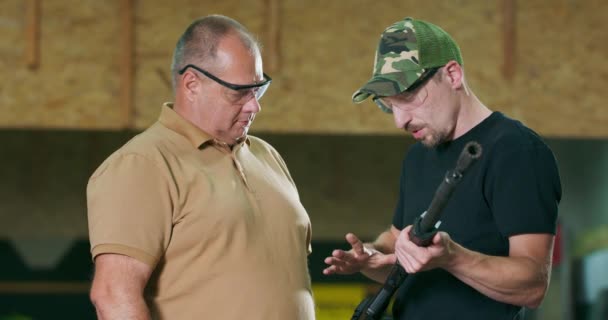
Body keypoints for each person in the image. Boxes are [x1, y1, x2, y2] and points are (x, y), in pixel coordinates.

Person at [323, 17, 562, 320]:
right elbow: (398, 244)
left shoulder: (516, 151)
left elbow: (533, 286)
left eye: (408, 97)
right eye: (389, 105)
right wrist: (370, 256)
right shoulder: (417, 157)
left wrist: (451, 258)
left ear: (452, 75)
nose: (400, 120)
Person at [87, 15, 315, 320]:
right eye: (239, 92)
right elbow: (114, 297)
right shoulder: (143, 164)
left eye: (258, 89)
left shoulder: (266, 156)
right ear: (192, 84)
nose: (254, 106)